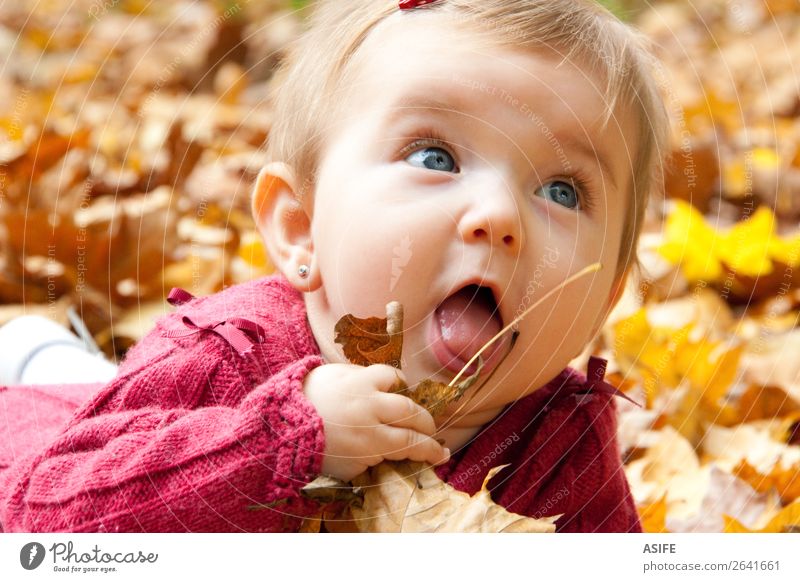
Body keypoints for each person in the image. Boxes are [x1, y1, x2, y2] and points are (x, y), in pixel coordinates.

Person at [0, 0, 669, 533]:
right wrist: (278, 444)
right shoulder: (225, 359)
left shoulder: (561, 443)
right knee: (69, 406)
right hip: (41, 445)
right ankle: (41, 359)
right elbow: (42, 520)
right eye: (436, 157)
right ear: (301, 229)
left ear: (603, 299)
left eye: (562, 191)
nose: (498, 217)